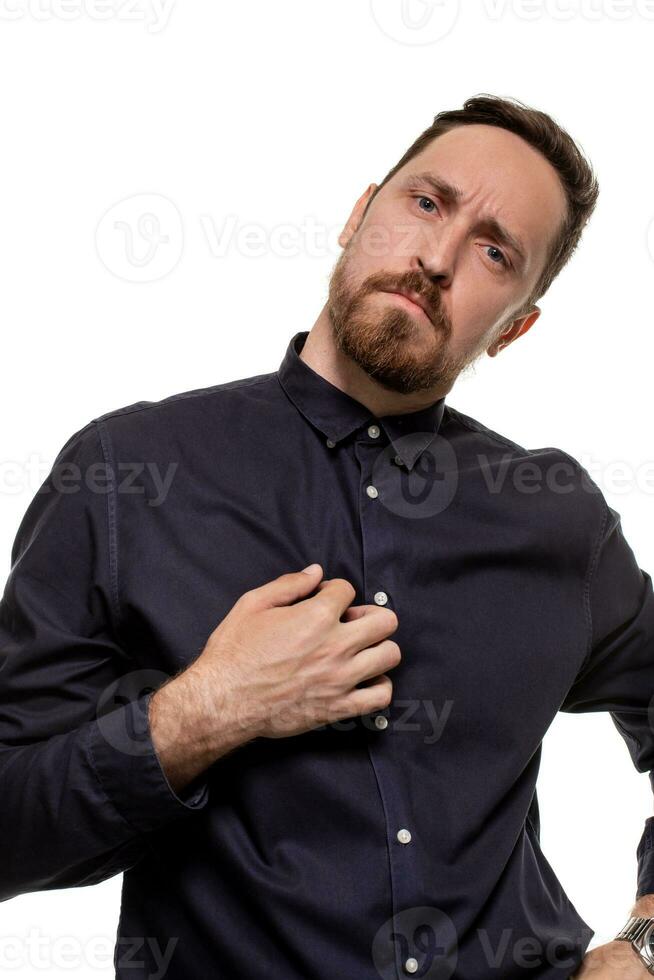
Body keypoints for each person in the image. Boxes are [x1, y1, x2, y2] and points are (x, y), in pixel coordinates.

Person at [1, 94, 653, 979]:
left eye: (495, 252)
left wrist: (645, 944)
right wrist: (206, 710)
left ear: (516, 326)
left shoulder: (556, 517)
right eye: (427, 204)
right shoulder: (124, 474)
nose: (436, 258)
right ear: (361, 212)